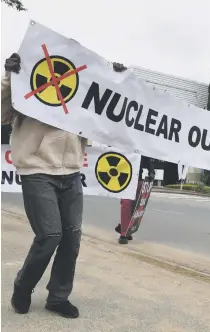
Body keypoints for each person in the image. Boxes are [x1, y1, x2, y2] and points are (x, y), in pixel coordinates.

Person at [2, 52, 125, 318]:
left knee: (71, 236)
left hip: (70, 170)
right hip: (37, 168)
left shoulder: (81, 88)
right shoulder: (30, 80)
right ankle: (23, 286)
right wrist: (11, 78)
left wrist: (115, 84)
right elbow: (2, 114)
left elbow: (105, 122)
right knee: (50, 234)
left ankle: (58, 297)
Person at [115, 155, 156, 244]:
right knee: (126, 205)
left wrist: (151, 171)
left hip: (138, 178)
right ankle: (123, 234)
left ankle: (126, 230)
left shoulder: (141, 143)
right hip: (124, 178)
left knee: (136, 207)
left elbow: (148, 155)